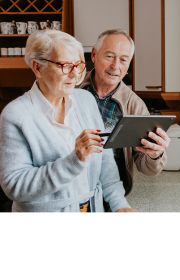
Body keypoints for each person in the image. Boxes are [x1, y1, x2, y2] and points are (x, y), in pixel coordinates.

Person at [0, 30, 137, 213]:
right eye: (65, 65)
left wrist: (119, 204)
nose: (74, 75)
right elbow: (15, 185)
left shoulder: (86, 101)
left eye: (79, 65)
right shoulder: (15, 115)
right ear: (37, 67)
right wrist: (74, 160)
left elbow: (105, 161)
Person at [79, 29, 170, 201]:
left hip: (112, 197)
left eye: (123, 60)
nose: (115, 66)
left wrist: (155, 154)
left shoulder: (135, 105)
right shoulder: (71, 90)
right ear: (93, 55)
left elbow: (147, 168)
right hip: (71, 192)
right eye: (109, 56)